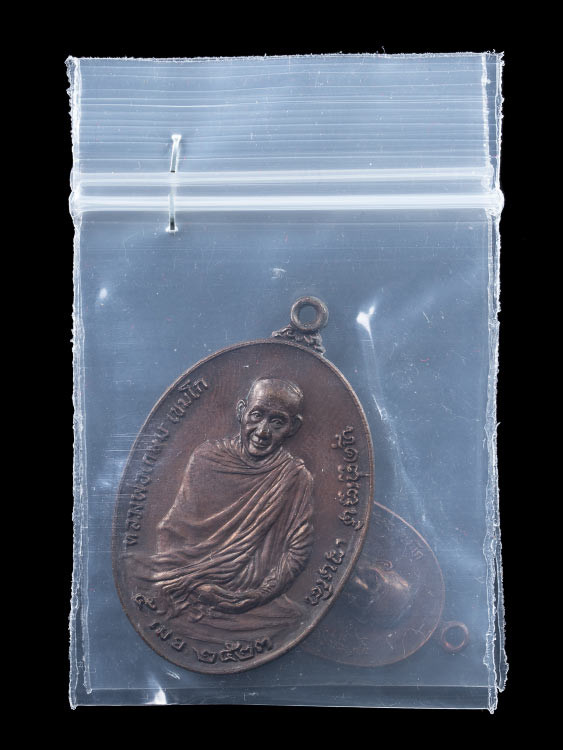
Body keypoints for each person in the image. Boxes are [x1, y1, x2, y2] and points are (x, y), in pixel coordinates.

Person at [141, 377, 314, 639]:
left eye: (277, 422)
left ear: (293, 427)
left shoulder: (296, 478)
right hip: (190, 588)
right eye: (256, 415)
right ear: (241, 411)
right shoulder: (207, 460)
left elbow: (297, 551)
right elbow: (173, 531)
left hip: (254, 599)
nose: (263, 431)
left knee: (296, 619)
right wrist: (188, 583)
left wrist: (255, 597)